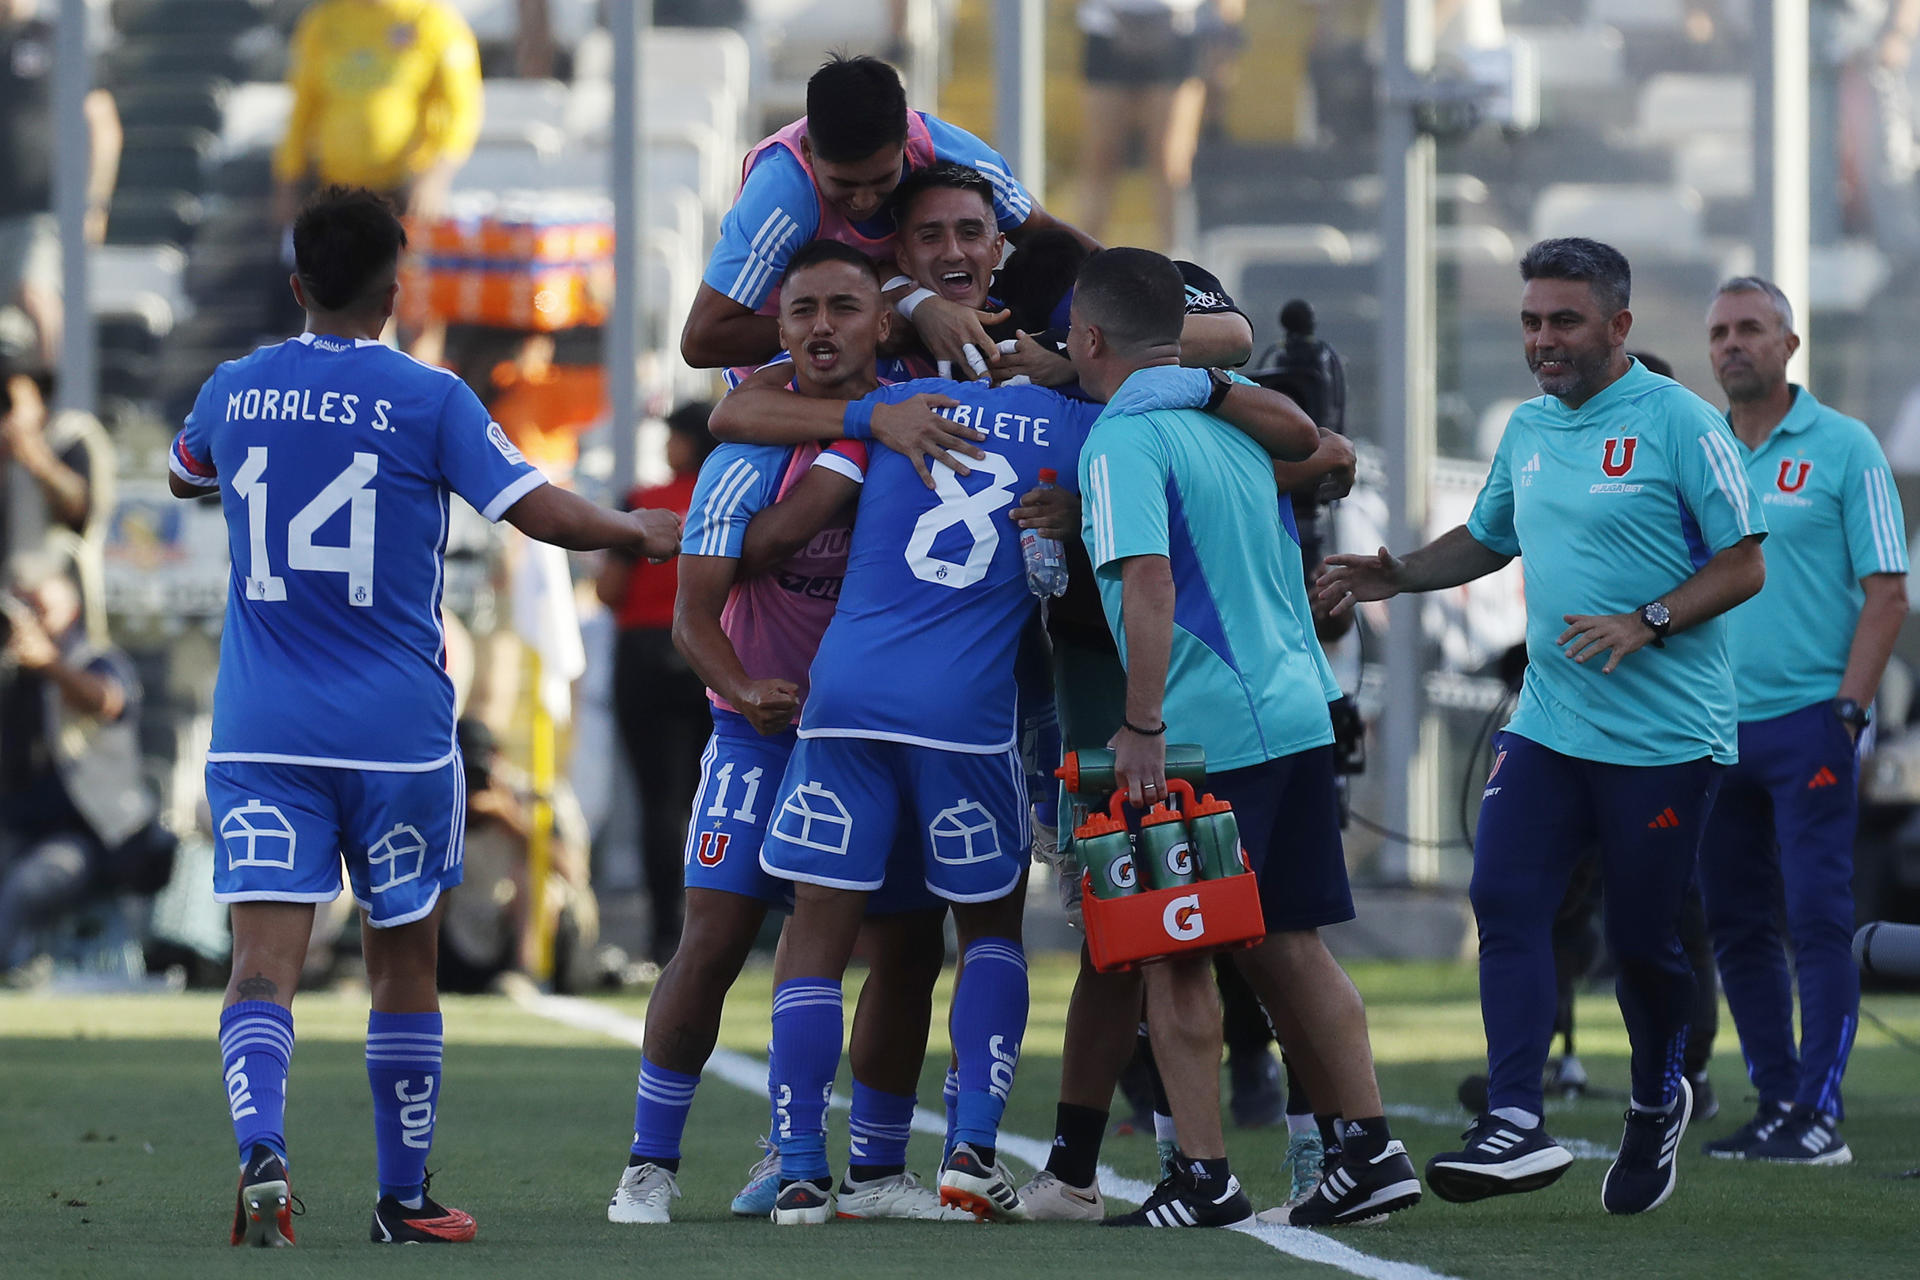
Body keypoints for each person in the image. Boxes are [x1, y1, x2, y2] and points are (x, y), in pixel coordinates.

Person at [713, 247, 1317, 1226]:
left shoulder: (896, 412)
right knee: (990, 931)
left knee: (816, 935)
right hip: (969, 715)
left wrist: (699, 544)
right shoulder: (1089, 424)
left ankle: (798, 1170)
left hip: (843, 697)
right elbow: (1302, 451)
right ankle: (968, 1159)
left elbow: (775, 504)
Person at [168, 186, 680, 1248]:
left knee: (261, 962)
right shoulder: (429, 398)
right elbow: (534, 506)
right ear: (395, 290)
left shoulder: (236, 386)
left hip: (263, 732)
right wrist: (635, 527)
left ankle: (263, 1139)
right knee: (404, 963)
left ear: (298, 284)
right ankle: (403, 1198)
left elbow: (185, 475)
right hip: (396, 735)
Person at [1319, 237, 1767, 1217]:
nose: (1542, 340)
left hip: (1665, 740)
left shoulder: (1683, 425)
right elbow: (1489, 535)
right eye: (1530, 321)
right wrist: (1396, 573)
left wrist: (1646, 621)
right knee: (1506, 896)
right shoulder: (1527, 427)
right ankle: (1515, 1116)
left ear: (1618, 325)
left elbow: (1744, 565)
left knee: (1643, 943)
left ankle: (1658, 1099)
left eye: (1563, 320)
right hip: (1551, 725)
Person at [606, 241, 968, 1227]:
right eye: (799, 307)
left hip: (881, 739)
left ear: (881, 321)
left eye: (841, 305)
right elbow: (691, 616)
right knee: (713, 939)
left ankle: (872, 1165)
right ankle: (649, 1162)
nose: (818, 325)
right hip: (758, 734)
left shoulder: (926, 419)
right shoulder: (746, 453)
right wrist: (743, 688)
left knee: (905, 947)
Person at [1064, 248, 1412, 1230]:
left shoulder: (1120, 443)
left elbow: (1148, 584)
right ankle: (1371, 1150)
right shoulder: (1233, 429)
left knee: (1174, 952)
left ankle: (1206, 1173)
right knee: (1294, 944)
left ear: (1090, 338)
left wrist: (1140, 724)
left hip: (1206, 728)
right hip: (1298, 709)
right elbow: (1319, 447)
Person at [1695, 276, 1908, 1165]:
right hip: (1709, 730)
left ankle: (1820, 1114)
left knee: (1817, 919)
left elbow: (1889, 592)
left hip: (1809, 724)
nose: (1732, 344)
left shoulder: (1846, 448)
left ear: (1789, 345)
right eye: (1719, 333)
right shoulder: (1697, 450)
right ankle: (1777, 1101)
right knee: (1737, 926)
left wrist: (1848, 715)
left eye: (1751, 329)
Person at [680, 53, 1095, 381]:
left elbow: (1050, 240)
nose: (863, 200)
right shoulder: (781, 197)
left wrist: (1145, 299)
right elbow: (701, 340)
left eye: (882, 180)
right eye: (843, 184)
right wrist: (872, 324)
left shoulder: (952, 153)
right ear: (808, 154)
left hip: (919, 362)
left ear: (906, 145)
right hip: (799, 381)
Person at [886, 162, 1254, 385]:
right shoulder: (883, 321)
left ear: (998, 247)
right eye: (930, 237)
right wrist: (915, 304)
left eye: (970, 233)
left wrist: (1073, 356)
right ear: (901, 257)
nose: (953, 252)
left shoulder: (1061, 285)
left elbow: (1232, 337)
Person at [0, 552, 172, 972]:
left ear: (71, 610)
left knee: (29, 883)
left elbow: (107, 700)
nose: (30, 620)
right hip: (21, 823)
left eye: (39, 608)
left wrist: (48, 663)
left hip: (96, 834)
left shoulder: (95, 659)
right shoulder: (12, 670)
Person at [595, 403, 718, 964]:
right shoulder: (733, 494)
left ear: (687, 440)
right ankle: (722, 929)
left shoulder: (643, 502)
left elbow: (609, 590)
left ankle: (667, 933)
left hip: (647, 652)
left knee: (659, 802)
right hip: (717, 652)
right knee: (716, 796)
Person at [271, 0, 482, 228]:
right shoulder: (323, 22)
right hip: (335, 188)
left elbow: (462, 110)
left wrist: (434, 180)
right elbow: (302, 109)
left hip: (405, 193)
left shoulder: (432, 20)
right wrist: (288, 182)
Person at [0, 0, 120, 367]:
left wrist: (95, 203)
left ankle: (55, 403)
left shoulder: (58, 38)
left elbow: (101, 125)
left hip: (40, 211)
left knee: (36, 297)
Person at [1074, 1, 1209, 251]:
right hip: (1107, 26)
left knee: (1171, 161)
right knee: (1101, 156)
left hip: (1177, 27)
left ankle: (1178, 262)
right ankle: (1084, 261)